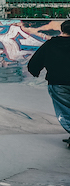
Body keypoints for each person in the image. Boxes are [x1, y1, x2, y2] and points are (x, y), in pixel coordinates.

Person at [27, 20, 70, 148]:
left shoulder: (51, 44)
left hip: (58, 83)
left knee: (65, 111)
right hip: (58, 82)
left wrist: (34, 71)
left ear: (62, 30)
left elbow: (34, 63)